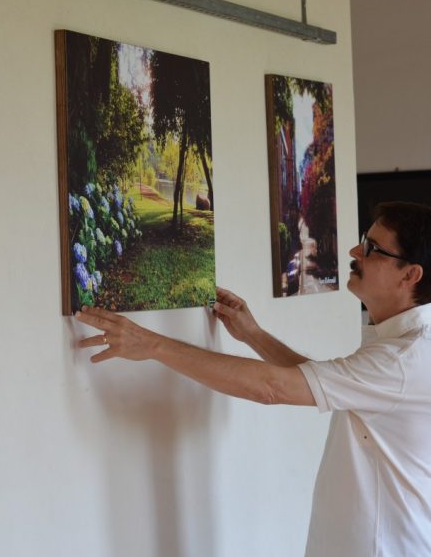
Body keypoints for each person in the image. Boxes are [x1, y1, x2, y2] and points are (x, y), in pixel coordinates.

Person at [75, 201, 431, 556]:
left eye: (372, 248)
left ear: (409, 275)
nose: (355, 251)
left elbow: (272, 387)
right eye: (362, 240)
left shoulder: (402, 360)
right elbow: (323, 381)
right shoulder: (399, 349)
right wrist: (253, 335)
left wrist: (151, 343)